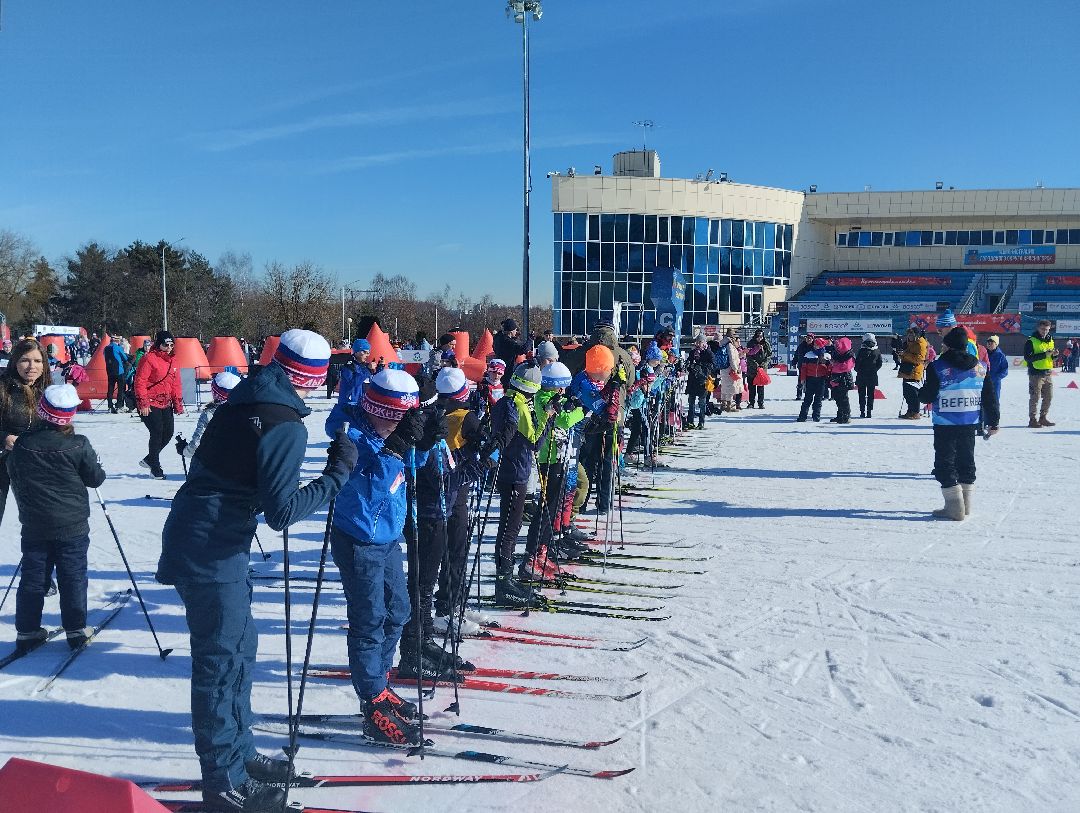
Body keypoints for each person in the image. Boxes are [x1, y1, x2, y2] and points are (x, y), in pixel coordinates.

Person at [157, 329, 354, 812]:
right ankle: (224, 780)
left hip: (211, 538)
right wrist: (335, 477)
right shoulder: (283, 422)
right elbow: (282, 512)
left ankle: (240, 754)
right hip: (211, 547)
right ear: (314, 377)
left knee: (241, 650)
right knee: (221, 662)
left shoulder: (248, 397)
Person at [330, 368, 430, 746]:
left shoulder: (387, 434)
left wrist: (422, 442)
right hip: (360, 540)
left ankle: (380, 683)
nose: (397, 428)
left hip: (387, 538)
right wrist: (396, 447)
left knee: (398, 610)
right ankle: (371, 700)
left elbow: (409, 467)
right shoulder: (351, 436)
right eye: (395, 421)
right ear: (378, 412)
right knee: (369, 618)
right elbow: (370, 491)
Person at [8, 384, 106, 654]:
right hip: (72, 525)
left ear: (41, 411)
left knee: (33, 576)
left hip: (35, 524)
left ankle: (27, 631)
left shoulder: (23, 443)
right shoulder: (78, 444)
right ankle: (75, 630)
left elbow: (13, 470)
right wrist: (97, 464)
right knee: (72, 575)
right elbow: (95, 478)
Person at [919, 326, 1000, 520]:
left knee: (945, 463)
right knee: (966, 460)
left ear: (948, 346)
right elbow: (990, 398)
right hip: (969, 422)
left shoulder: (937, 366)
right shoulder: (981, 367)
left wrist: (919, 393)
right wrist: (994, 422)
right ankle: (966, 505)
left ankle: (954, 508)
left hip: (945, 422)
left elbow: (928, 395)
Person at [489, 362, 548, 608]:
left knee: (510, 526)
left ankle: (506, 578)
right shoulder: (518, 405)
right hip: (515, 472)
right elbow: (534, 441)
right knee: (510, 527)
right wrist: (548, 419)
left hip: (513, 470)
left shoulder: (508, 400)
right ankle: (504, 582)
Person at [0, 339, 48, 530]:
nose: (31, 366)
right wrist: (4, 437)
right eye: (25, 360)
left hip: (34, 462)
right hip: (3, 460)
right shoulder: (3, 388)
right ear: (15, 362)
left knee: (41, 522)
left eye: (37, 361)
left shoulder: (47, 391)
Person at [133, 332, 184, 479]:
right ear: (158, 344)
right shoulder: (148, 358)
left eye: (171, 345)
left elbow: (176, 384)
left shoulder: (174, 360)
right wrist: (143, 403)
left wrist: (177, 403)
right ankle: (155, 467)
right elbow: (140, 382)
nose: (169, 348)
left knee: (168, 433)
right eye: (165, 345)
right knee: (157, 432)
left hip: (166, 402)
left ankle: (150, 458)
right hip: (149, 401)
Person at [177, 371, 242, 461]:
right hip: (244, 462)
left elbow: (197, 444)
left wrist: (184, 451)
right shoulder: (249, 409)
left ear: (215, 393)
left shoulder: (210, 414)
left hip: (218, 462)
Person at [325, 338, 374, 437]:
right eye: (365, 352)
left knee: (360, 429)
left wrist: (379, 368)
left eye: (368, 352)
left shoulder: (364, 366)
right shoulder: (348, 366)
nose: (367, 355)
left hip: (360, 402)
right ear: (357, 352)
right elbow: (353, 383)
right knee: (347, 428)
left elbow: (370, 381)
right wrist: (367, 371)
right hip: (349, 403)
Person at [1023, 319, 1058, 428]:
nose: (1045, 331)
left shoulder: (1050, 340)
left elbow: (1050, 357)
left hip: (1047, 372)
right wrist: (1044, 355)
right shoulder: (1031, 341)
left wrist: (1055, 355)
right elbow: (1027, 358)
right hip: (1035, 373)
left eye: (1047, 329)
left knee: (1049, 396)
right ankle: (1032, 420)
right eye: (1043, 329)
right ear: (1038, 328)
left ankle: (1043, 418)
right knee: (1035, 397)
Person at [796, 338, 830, 422]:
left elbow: (829, 369)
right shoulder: (808, 355)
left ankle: (816, 416)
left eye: (817, 345)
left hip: (821, 380)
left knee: (818, 399)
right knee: (807, 399)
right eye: (814, 344)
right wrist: (802, 379)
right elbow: (803, 368)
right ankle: (802, 416)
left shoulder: (826, 356)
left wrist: (828, 377)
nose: (815, 346)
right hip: (810, 379)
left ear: (821, 346)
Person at [898, 327, 928, 419]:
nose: (909, 337)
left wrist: (905, 354)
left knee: (913, 393)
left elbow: (919, 359)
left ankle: (915, 412)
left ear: (917, 335)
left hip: (915, 370)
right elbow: (908, 355)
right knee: (907, 393)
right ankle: (910, 411)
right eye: (909, 335)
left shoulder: (920, 344)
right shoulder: (909, 343)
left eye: (912, 335)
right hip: (907, 370)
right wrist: (901, 354)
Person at [684, 334, 714, 429]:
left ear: (704, 343)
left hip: (702, 380)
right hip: (692, 380)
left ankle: (701, 422)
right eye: (697, 341)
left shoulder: (708, 353)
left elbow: (712, 365)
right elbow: (689, 363)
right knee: (691, 402)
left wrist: (700, 367)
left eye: (700, 342)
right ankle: (690, 421)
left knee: (702, 402)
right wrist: (689, 365)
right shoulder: (693, 352)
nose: (698, 344)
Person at [492, 319, 531, 389]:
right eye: (515, 330)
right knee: (506, 389)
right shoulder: (508, 342)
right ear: (511, 331)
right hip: (507, 371)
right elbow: (522, 350)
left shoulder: (498, 338)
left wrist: (514, 338)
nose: (516, 331)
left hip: (499, 367)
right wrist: (530, 340)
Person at [827, 337, 855, 424]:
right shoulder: (837, 354)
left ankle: (846, 416)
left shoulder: (849, 355)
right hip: (836, 378)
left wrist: (834, 364)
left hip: (844, 379)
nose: (837, 347)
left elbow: (844, 367)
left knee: (843, 398)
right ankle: (840, 415)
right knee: (837, 398)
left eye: (838, 346)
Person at [854, 333, 883, 419]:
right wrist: (874, 370)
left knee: (861, 394)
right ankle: (869, 411)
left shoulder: (861, 350)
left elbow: (857, 363)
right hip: (872, 375)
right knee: (871, 395)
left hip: (861, 375)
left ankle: (862, 411)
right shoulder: (877, 350)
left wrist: (858, 370)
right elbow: (880, 363)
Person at [715, 330, 742, 413]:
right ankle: (729, 406)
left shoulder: (722, 343)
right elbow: (732, 358)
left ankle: (723, 404)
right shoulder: (729, 345)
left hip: (723, 368)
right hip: (730, 368)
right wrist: (735, 368)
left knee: (724, 386)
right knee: (731, 387)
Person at [745, 329, 772, 409]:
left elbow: (769, 355)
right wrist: (756, 365)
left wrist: (763, 364)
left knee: (761, 387)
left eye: (761, 336)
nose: (759, 338)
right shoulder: (751, 343)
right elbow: (748, 355)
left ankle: (761, 403)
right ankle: (751, 402)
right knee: (751, 386)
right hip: (752, 368)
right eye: (758, 336)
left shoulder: (766, 343)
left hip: (762, 369)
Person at [104, 336, 130, 414]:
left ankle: (110, 405)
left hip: (109, 371)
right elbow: (124, 357)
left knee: (110, 389)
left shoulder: (106, 348)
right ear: (117, 341)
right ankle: (119, 406)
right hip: (119, 371)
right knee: (121, 389)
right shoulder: (118, 348)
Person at [985, 335, 1008, 404]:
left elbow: (1005, 370)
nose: (989, 344)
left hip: (995, 383)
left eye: (991, 343)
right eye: (988, 343)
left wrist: (996, 378)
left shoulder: (1000, 355)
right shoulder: (983, 353)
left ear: (996, 344)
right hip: (983, 381)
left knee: (994, 400)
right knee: (984, 401)